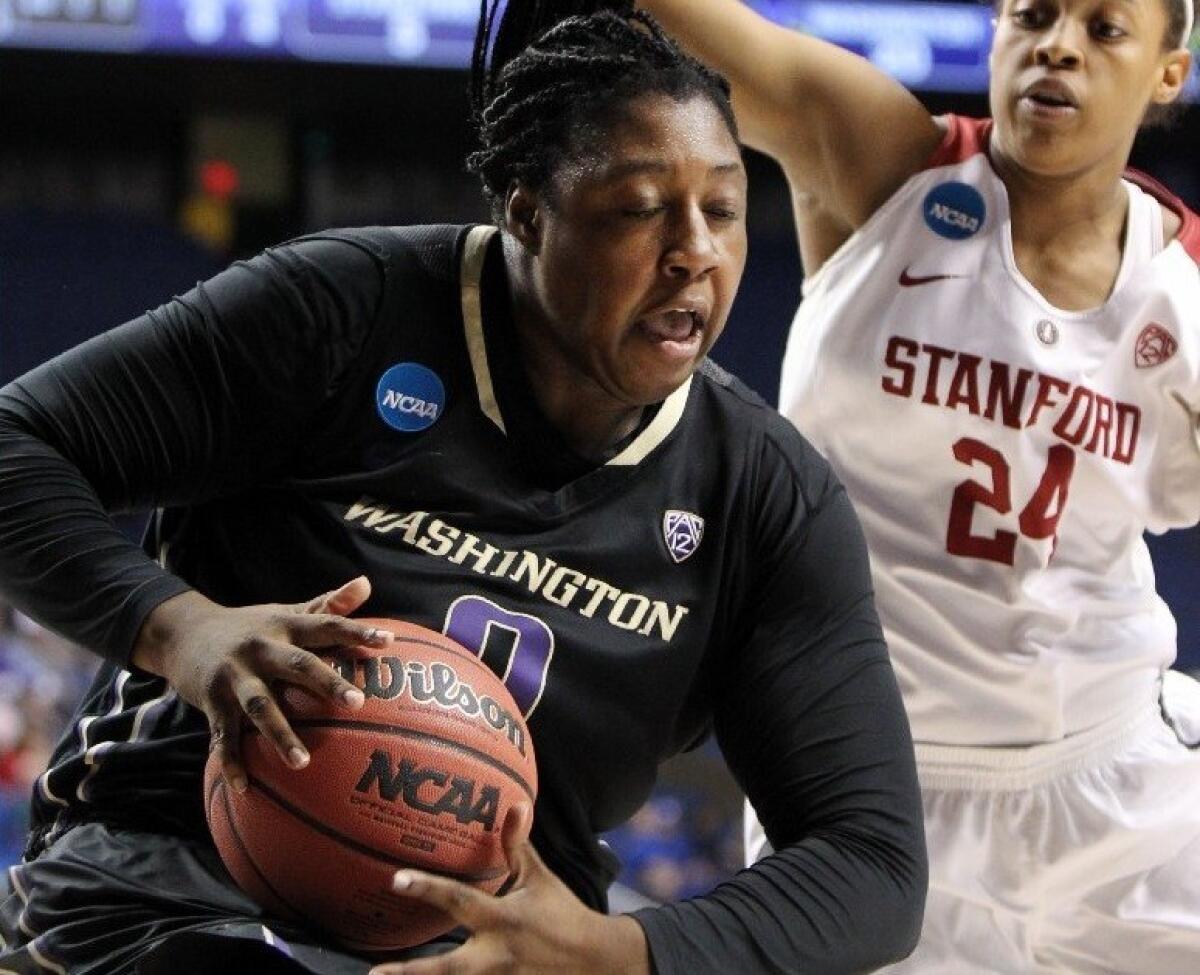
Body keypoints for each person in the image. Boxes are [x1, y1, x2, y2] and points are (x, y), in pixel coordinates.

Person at [0, 4, 927, 973]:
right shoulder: (344, 312)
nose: (695, 249)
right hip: (169, 876)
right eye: (645, 206)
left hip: (488, 944)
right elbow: (13, 439)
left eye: (725, 209)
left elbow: (874, 865)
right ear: (526, 211)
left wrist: (627, 949)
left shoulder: (763, 495)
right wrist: (179, 628)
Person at [640, 0, 1200, 971]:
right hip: (865, 794)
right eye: (1032, 14)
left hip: (1113, 777)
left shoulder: (1184, 292)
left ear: (1168, 73)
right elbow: (678, 23)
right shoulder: (889, 162)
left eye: (1105, 27)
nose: (1057, 43)